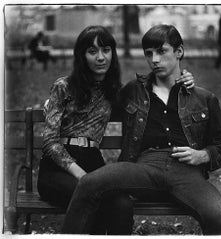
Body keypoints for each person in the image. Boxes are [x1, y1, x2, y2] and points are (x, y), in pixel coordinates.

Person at [61, 24, 221, 235]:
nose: (155, 60)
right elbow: (99, 97)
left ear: (179, 52)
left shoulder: (204, 98)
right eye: (149, 54)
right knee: (90, 183)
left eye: (162, 51)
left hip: (187, 173)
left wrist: (202, 155)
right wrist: (64, 95)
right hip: (143, 168)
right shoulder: (133, 90)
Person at [38, 25, 195, 235]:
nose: (101, 57)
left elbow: (152, 96)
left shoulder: (115, 92)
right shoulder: (64, 86)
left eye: (106, 50)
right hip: (58, 169)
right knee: (91, 197)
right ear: (81, 55)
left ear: (113, 53)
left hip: (93, 162)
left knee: (121, 205)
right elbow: (49, 141)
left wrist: (184, 78)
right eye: (92, 51)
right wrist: (81, 175)